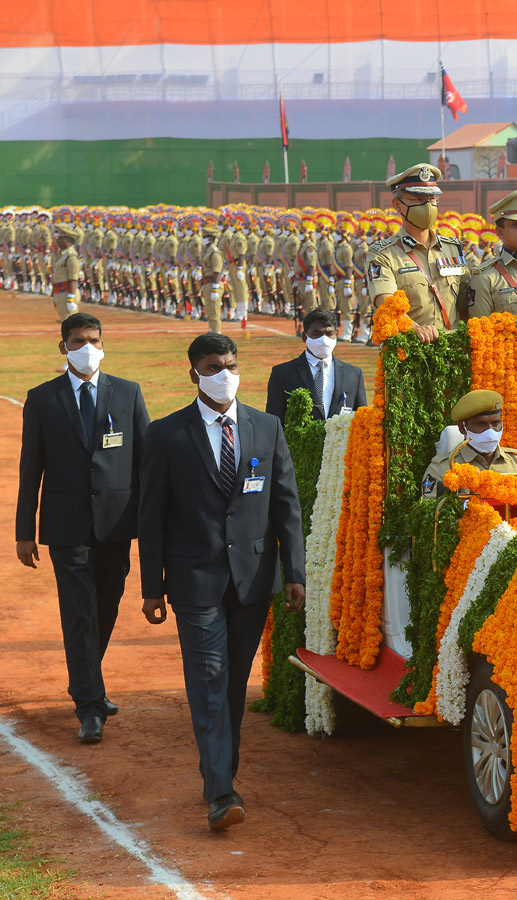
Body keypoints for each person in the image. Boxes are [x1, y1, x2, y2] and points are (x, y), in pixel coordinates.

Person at [138, 333, 305, 831]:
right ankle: (221, 792)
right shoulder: (166, 435)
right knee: (210, 682)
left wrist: (293, 571)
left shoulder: (266, 427)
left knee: (233, 684)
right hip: (194, 582)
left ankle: (217, 770)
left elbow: (286, 505)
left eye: (230, 365)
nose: (224, 374)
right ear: (194, 375)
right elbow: (151, 517)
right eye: (212, 367)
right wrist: (152, 586)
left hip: (253, 581)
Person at [16, 313, 149, 744]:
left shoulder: (127, 394)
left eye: (93, 339)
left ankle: (87, 682)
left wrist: (151, 523)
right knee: (79, 614)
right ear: (63, 348)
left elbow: (146, 462)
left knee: (106, 607)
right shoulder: (42, 398)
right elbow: (30, 467)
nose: (86, 347)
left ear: (102, 343)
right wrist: (24, 530)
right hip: (65, 525)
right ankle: (90, 706)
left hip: (116, 523)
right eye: (78, 341)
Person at [369, 164, 470, 343]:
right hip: (411, 355)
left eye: (431, 199)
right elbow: (385, 302)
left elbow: (465, 305)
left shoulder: (452, 248)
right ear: (397, 205)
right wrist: (416, 329)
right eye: (417, 199)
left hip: (452, 357)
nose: (427, 206)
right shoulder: (383, 255)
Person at [421, 390, 517, 497]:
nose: (490, 431)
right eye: (481, 424)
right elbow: (431, 513)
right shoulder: (442, 469)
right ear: (462, 428)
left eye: (495, 423)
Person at [265, 309, 367, 421]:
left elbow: (361, 420)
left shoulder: (353, 374)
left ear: (336, 335)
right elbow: (273, 421)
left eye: (329, 334)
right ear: (304, 337)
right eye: (316, 334)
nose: (324, 340)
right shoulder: (283, 374)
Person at [50, 223, 83, 321]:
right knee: (65, 324)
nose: (58, 241)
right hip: (60, 293)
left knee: (69, 325)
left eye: (61, 239)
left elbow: (73, 279)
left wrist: (70, 299)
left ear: (68, 241)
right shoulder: (62, 255)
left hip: (67, 294)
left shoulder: (71, 256)